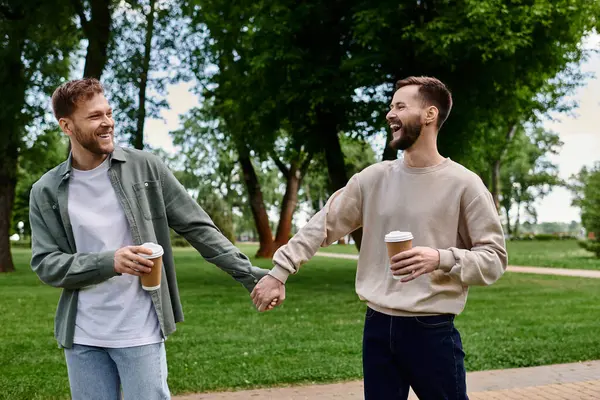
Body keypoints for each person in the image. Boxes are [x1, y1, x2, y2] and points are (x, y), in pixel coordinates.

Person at [251, 76, 507, 400]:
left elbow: (494, 258)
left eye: (400, 106)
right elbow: (323, 224)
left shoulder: (464, 184)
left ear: (429, 114)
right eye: (390, 106)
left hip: (432, 330)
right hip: (377, 327)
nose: (390, 114)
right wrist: (279, 271)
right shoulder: (373, 179)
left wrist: (440, 258)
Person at [29, 78, 273, 400]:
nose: (107, 123)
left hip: (139, 330)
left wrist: (252, 276)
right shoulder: (46, 190)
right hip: (82, 335)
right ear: (66, 126)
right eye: (94, 117)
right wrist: (110, 262)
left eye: (109, 113)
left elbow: (199, 228)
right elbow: (46, 264)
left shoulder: (145, 168)